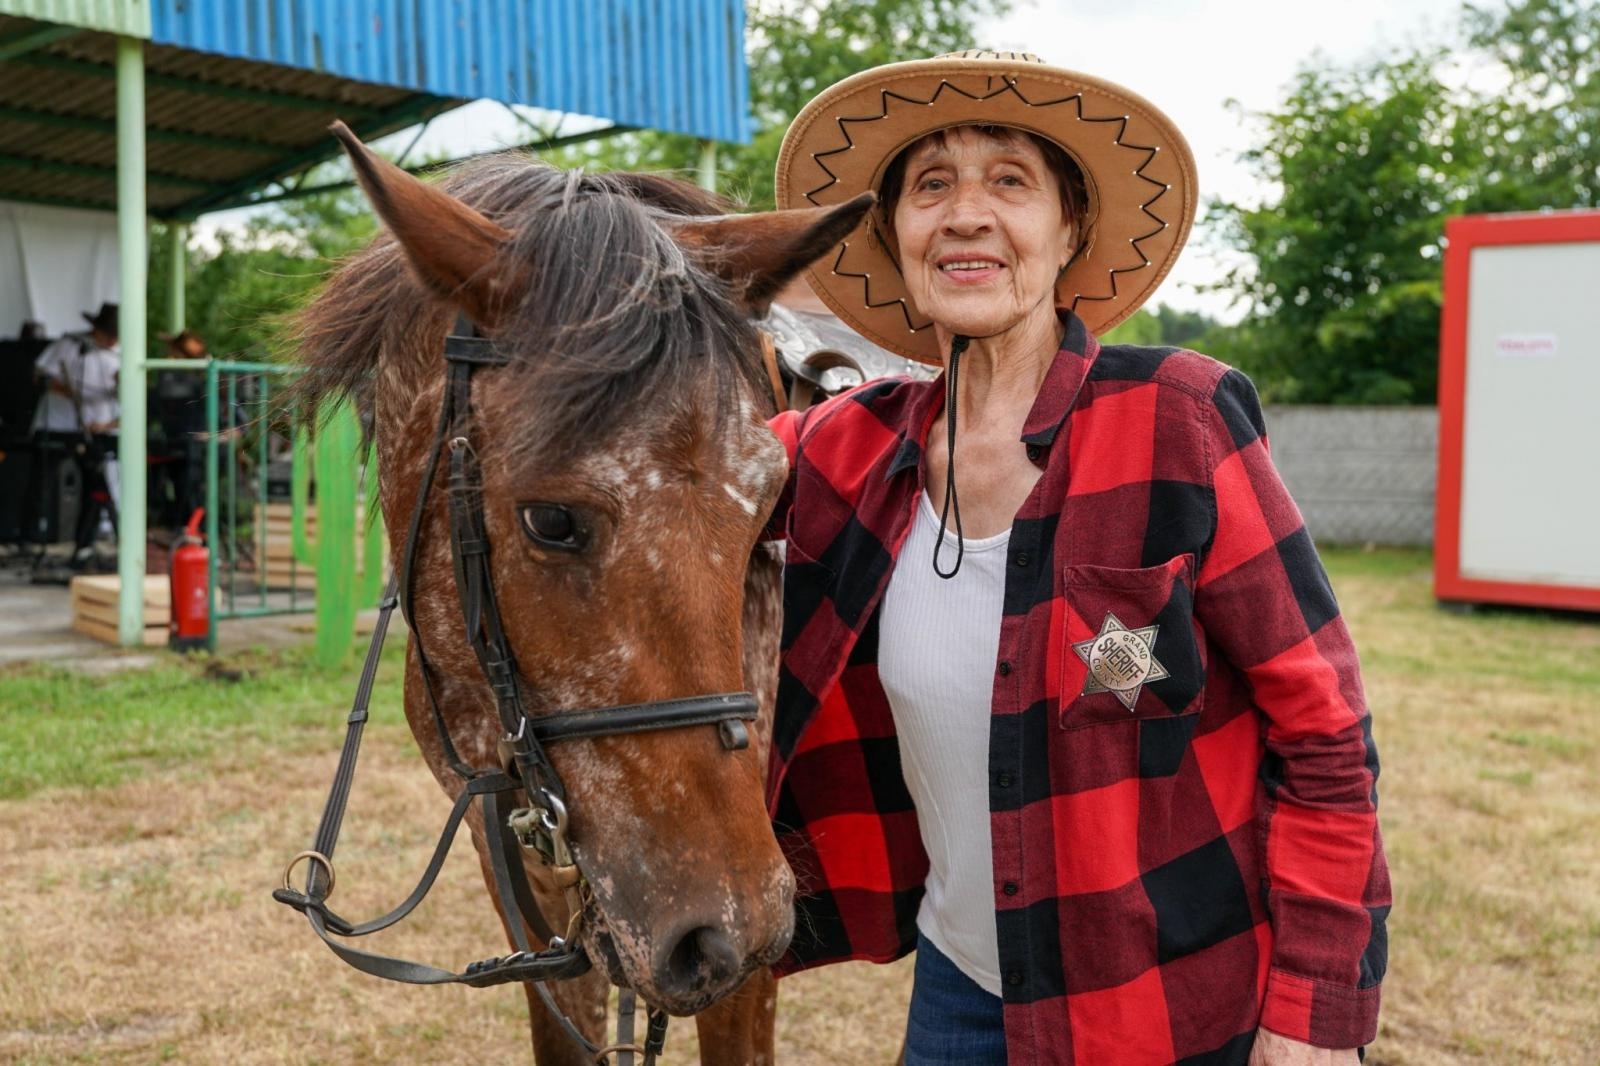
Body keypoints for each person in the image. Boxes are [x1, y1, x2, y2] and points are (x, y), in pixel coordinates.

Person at [762, 52, 1389, 1066]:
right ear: (896, 236)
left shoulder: (1180, 417)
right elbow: (657, 472)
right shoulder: (844, 448)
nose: (965, 215)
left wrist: (1312, 1013)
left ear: (1069, 232)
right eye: (930, 185)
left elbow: (1324, 734)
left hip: (1165, 1002)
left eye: (1009, 181)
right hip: (959, 986)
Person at [28, 301, 120, 566]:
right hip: (57, 426)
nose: (113, 340)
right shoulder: (70, 345)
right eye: (109, 334)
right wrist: (70, 392)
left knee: (95, 485)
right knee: (42, 483)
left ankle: (84, 543)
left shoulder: (120, 354)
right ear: (97, 330)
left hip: (95, 429)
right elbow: (39, 376)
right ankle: (32, 537)